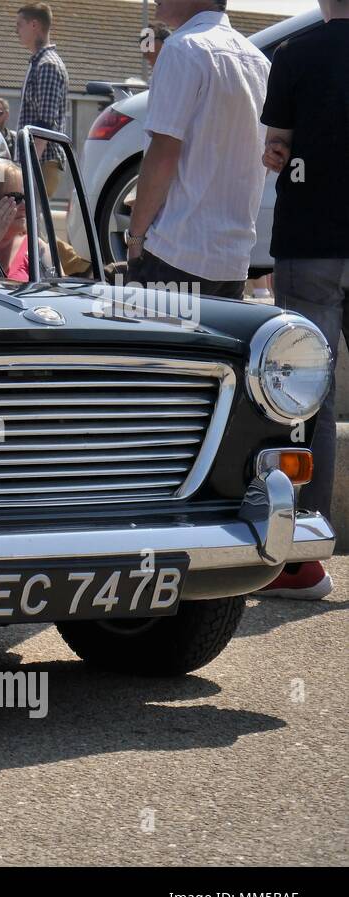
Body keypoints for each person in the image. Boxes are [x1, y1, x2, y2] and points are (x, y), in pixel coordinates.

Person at [254, 0, 349, 601]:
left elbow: (277, 149)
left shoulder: (293, 55)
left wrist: (277, 155)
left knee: (309, 393)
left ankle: (304, 561)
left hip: (312, 239)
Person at [124, 1, 269, 301]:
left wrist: (135, 239)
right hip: (232, 261)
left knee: (156, 348)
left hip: (176, 252)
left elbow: (164, 153)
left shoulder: (181, 50)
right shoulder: (259, 62)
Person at [15, 3, 69, 196]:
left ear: (34, 25)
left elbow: (44, 124)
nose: (16, 30)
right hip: (37, 161)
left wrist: (28, 167)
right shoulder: (38, 63)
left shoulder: (47, 65)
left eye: (20, 24)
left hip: (41, 162)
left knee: (33, 222)